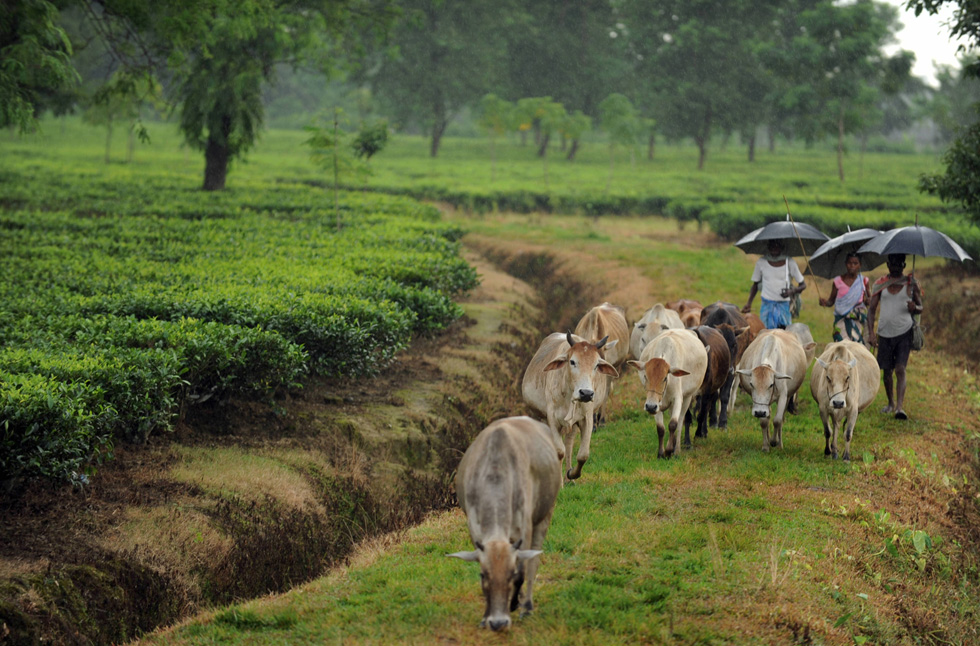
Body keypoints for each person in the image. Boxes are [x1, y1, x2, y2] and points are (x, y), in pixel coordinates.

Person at [867, 253, 923, 421]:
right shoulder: (880, 284)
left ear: (905, 264)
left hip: (904, 332)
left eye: (899, 263)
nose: (896, 266)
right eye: (893, 263)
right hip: (884, 332)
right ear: (888, 264)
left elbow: (921, 306)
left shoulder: (911, 284)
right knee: (886, 372)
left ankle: (899, 407)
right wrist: (871, 332)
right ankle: (890, 403)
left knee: (900, 368)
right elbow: (871, 310)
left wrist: (915, 307)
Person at [742, 239, 806, 329]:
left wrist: (791, 291)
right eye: (771, 245)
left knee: (784, 333)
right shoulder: (761, 262)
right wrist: (749, 303)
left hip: (783, 306)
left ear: (782, 247)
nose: (774, 248)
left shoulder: (789, 262)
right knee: (765, 332)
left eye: (777, 245)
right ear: (768, 247)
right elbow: (755, 284)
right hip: (767, 305)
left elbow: (803, 285)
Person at [818, 252, 870, 345]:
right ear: (846, 264)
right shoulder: (838, 281)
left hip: (857, 321)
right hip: (841, 320)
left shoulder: (863, 281)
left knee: (856, 346)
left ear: (860, 265)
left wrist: (868, 301)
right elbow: (831, 301)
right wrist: (825, 302)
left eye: (855, 263)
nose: (852, 266)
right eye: (850, 263)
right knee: (842, 345)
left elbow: (868, 300)